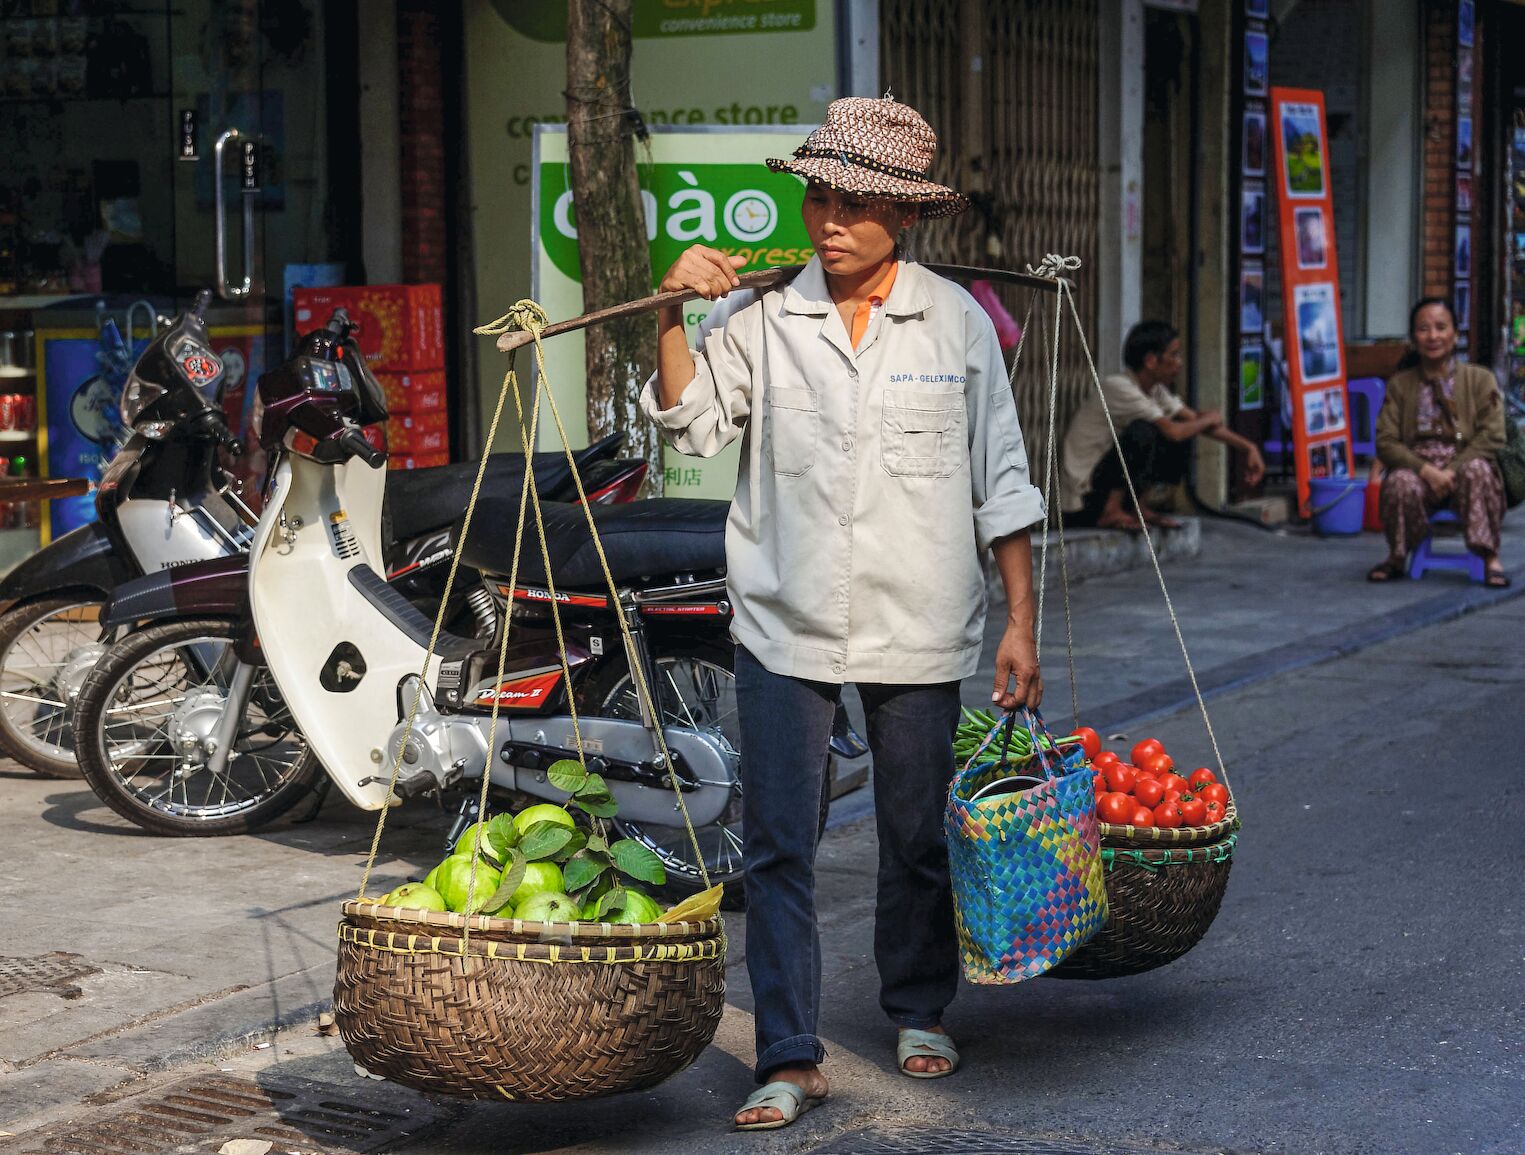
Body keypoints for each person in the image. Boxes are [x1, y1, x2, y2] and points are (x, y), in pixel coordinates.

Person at [639, 96, 1046, 1131]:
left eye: (857, 204)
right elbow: (690, 429)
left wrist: (1018, 623)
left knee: (914, 835)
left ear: (904, 218)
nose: (831, 220)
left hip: (921, 619)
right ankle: (788, 1051)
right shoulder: (758, 317)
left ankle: (916, 1007)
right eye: (820, 197)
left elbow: (1001, 481)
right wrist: (668, 313)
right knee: (778, 842)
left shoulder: (954, 324)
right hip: (786, 619)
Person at [1060, 321, 1266, 530]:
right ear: (1150, 360)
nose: (1179, 362)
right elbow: (1176, 431)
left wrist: (1248, 447)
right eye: (1174, 355)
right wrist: (1208, 418)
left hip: (1106, 485)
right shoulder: (1119, 387)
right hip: (1085, 498)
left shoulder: (1155, 390)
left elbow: (1193, 420)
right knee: (1145, 432)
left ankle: (1138, 507)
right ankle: (1111, 511)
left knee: (1184, 428)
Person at [1368, 297, 1508, 587]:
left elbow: (1493, 434)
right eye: (1423, 329)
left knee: (1478, 471)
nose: (1433, 336)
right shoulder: (1401, 384)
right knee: (1399, 482)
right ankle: (1396, 556)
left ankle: (1490, 557)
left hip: (1465, 469)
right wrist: (1426, 471)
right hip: (1419, 472)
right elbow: (1386, 440)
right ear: (1413, 337)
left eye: (1441, 327)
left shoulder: (1480, 379)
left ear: (1455, 334)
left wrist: (1452, 469)